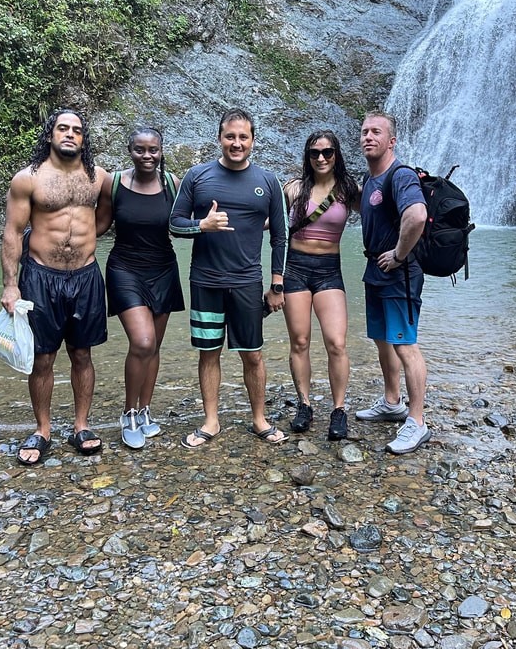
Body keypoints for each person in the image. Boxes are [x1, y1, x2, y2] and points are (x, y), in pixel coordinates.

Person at [169, 107, 289, 447]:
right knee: (209, 352)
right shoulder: (197, 176)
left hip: (247, 281)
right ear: (220, 138)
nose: (236, 143)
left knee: (252, 353)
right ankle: (211, 421)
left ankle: (259, 419)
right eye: (230, 136)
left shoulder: (268, 182)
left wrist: (277, 283)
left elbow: (280, 236)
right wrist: (201, 225)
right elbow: (174, 223)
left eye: (243, 137)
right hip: (205, 280)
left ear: (253, 141)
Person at [1, 108, 108, 466]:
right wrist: (10, 286)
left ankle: (81, 426)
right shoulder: (27, 179)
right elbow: (13, 233)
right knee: (43, 357)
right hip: (41, 277)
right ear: (50, 134)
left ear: (83, 138)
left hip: (86, 276)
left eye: (77, 130)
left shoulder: (99, 178)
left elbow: (104, 217)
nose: (70, 134)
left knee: (82, 353)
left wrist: (86, 241)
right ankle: (42, 429)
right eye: (63, 128)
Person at [95, 126, 184, 450]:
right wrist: (64, 243)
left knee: (154, 347)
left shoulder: (173, 185)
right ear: (130, 150)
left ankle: (145, 410)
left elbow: (186, 223)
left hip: (163, 270)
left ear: (161, 151)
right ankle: (128, 413)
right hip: (124, 269)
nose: (147, 156)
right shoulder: (114, 183)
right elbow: (100, 224)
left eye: (153, 150)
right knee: (143, 341)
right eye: (140, 150)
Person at [356, 110, 431, 454]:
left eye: (376, 132)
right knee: (383, 340)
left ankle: (416, 422)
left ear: (391, 140)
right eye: (364, 132)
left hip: (398, 273)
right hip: (376, 271)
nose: (368, 137)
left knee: (405, 344)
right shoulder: (371, 181)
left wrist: (399, 254)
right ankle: (391, 401)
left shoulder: (400, 175)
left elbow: (417, 215)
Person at [283, 130, 359, 441]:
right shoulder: (293, 188)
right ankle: (304, 404)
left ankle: (339, 409)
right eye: (315, 152)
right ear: (307, 156)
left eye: (327, 152)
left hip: (330, 270)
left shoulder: (349, 191)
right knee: (299, 341)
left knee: (336, 342)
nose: (321, 157)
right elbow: (272, 224)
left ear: (337, 154)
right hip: (296, 269)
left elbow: (379, 215)